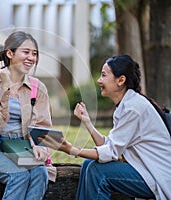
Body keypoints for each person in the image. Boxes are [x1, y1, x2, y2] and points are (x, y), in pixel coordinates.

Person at [40, 54, 171, 199]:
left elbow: (111, 152)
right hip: (144, 170)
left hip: (156, 177)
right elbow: (109, 146)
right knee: (88, 164)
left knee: (97, 170)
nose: (99, 80)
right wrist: (87, 122)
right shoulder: (126, 105)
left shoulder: (133, 108)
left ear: (121, 80)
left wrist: (71, 149)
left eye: (103, 75)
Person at [0, 31, 55, 199]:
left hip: (24, 146)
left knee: (40, 174)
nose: (31, 58)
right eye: (26, 52)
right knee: (19, 176)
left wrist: (41, 147)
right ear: (10, 53)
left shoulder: (38, 87)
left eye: (34, 54)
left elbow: (43, 125)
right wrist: (6, 89)